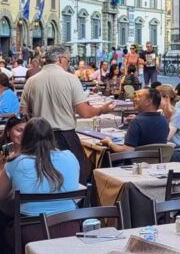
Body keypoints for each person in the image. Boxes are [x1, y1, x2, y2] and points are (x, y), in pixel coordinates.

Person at [20, 44, 114, 182]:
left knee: (40, 177)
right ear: (60, 59)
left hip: (38, 137)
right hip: (64, 136)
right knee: (78, 177)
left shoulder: (31, 81)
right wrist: (102, 109)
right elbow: (85, 112)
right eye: (69, 61)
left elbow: (23, 113)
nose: (68, 64)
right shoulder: (71, 79)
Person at [0, 117, 79, 217]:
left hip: (31, 228)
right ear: (51, 137)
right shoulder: (70, 157)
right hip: (69, 224)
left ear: (25, 138)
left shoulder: (15, 162)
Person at [102, 87, 169, 154]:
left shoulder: (137, 121)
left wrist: (109, 142)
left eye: (139, 97)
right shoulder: (164, 120)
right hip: (157, 162)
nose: (135, 99)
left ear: (148, 102)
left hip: (136, 162)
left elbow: (127, 151)